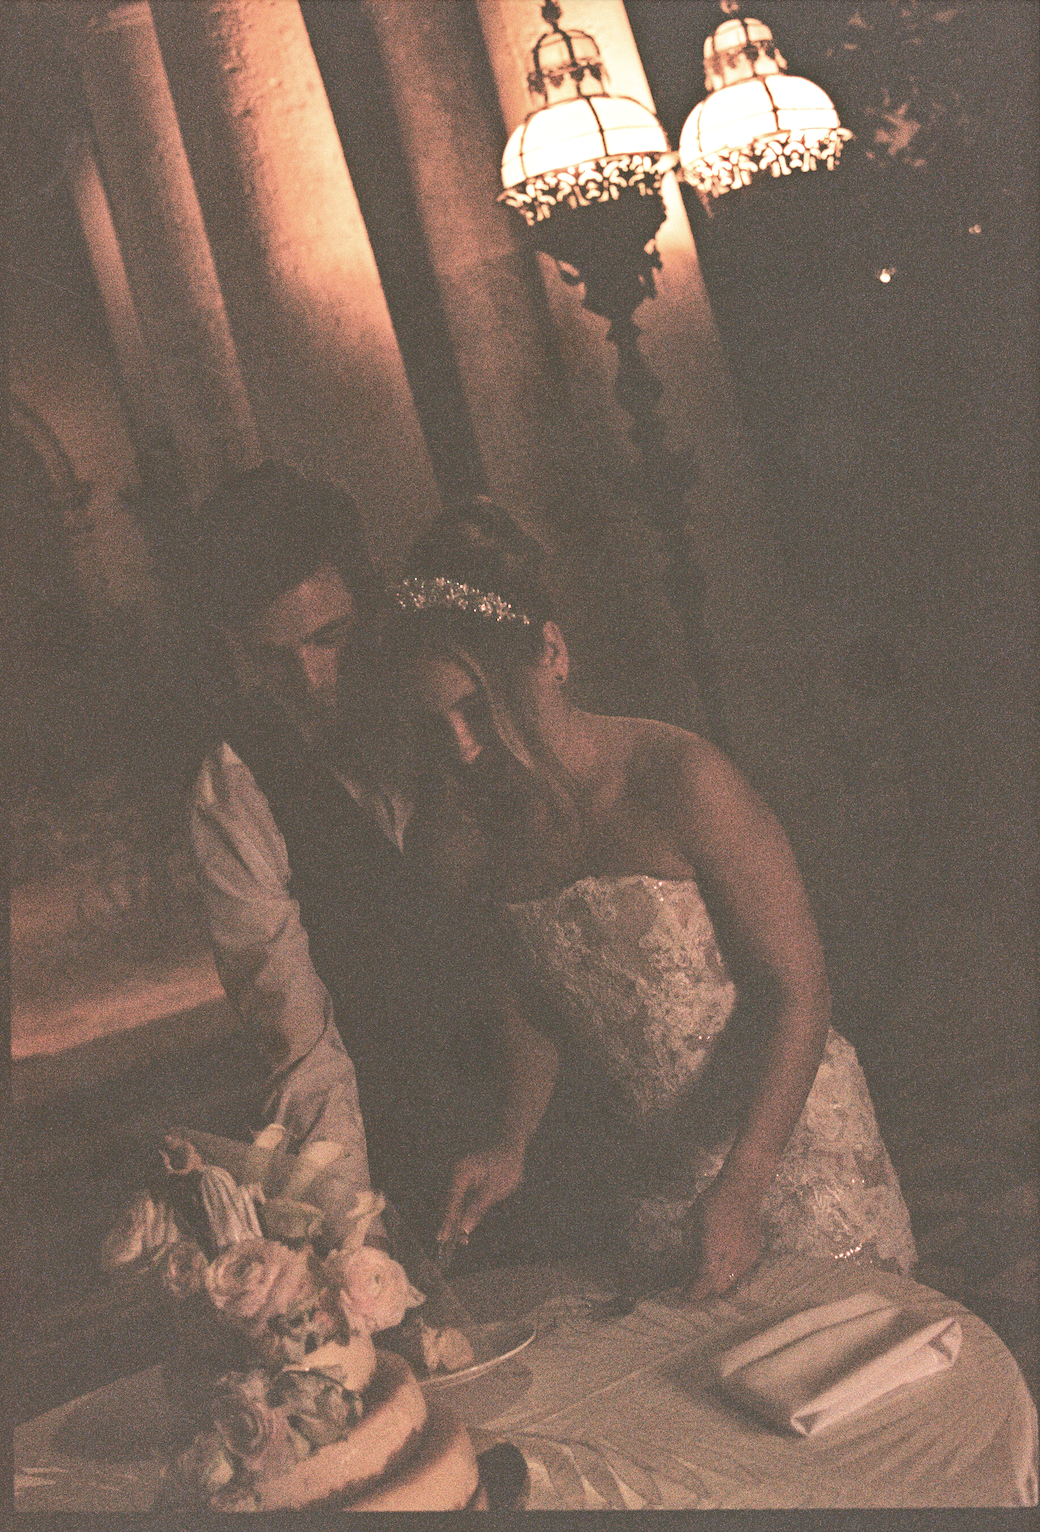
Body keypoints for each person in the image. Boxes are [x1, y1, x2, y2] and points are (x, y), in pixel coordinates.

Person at [387, 502, 918, 1298]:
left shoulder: (681, 778)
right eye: (437, 725)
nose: (462, 748)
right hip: (657, 1179)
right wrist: (511, 1142)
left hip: (791, 1146)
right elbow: (533, 1014)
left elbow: (800, 994)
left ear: (553, 652)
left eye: (482, 709)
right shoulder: (482, 830)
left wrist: (743, 1184)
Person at [180, 462, 559, 1248]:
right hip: (416, 1156)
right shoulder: (234, 787)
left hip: (578, 1097)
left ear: (373, 601)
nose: (309, 678)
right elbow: (300, 1045)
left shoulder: (468, 704)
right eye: (271, 657)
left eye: (330, 637)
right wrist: (352, 1226)